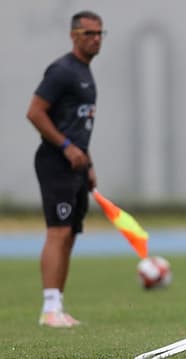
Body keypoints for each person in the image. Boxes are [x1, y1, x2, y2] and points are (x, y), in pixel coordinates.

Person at [26, 10, 105, 328]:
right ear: (74, 35)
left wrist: (88, 162)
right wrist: (66, 148)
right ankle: (48, 309)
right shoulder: (62, 71)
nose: (96, 39)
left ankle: (57, 307)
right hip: (54, 163)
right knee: (57, 232)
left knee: (70, 233)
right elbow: (35, 112)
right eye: (89, 34)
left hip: (76, 165)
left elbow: (78, 125)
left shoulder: (85, 73)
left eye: (100, 34)